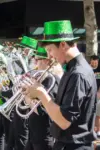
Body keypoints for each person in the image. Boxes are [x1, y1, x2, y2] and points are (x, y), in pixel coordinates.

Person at [21, 20, 97, 150]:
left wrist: (40, 92)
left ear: (63, 44)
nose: (50, 56)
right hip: (66, 143)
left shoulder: (78, 74)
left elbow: (63, 121)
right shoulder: (72, 69)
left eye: (50, 50)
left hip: (74, 146)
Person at [23, 47, 62, 150]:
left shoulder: (52, 80)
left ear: (46, 60)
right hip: (33, 133)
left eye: (37, 60)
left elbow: (45, 110)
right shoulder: (39, 79)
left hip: (44, 134)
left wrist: (28, 98)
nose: (35, 63)